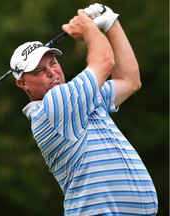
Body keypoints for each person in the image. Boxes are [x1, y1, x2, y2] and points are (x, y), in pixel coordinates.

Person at [10, 3, 158, 215]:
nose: (52, 72)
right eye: (40, 71)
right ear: (23, 84)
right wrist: (89, 28)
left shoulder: (80, 99)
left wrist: (111, 23)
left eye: (53, 63)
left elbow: (129, 80)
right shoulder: (52, 106)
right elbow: (105, 61)